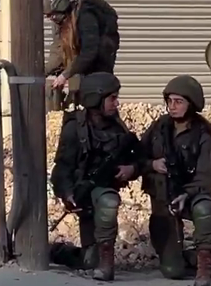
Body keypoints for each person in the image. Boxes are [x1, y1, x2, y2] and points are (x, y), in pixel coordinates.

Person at [140, 75, 211, 286]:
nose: (172, 107)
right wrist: (152, 165)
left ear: (191, 104)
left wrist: (186, 194)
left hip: (192, 193)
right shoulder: (160, 127)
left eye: (178, 102)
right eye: (169, 101)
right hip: (163, 198)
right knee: (173, 270)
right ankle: (204, 252)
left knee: (204, 209)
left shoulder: (204, 134)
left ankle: (205, 262)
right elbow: (137, 155)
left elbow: (206, 176)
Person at [50, 72, 140, 281]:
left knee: (109, 201)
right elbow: (62, 167)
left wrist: (131, 169)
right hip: (83, 193)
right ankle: (57, 251)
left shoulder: (118, 128)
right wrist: (68, 193)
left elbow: (141, 158)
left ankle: (107, 263)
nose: (116, 103)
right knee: (89, 261)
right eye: (112, 98)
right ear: (95, 99)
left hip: (103, 190)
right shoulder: (75, 128)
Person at [42, 0, 120, 109]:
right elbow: (58, 50)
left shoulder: (85, 16)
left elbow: (89, 52)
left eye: (51, 15)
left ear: (61, 8)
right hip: (83, 56)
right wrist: (43, 72)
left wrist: (65, 75)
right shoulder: (60, 22)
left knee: (96, 90)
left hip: (100, 57)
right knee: (76, 86)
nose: (50, 18)